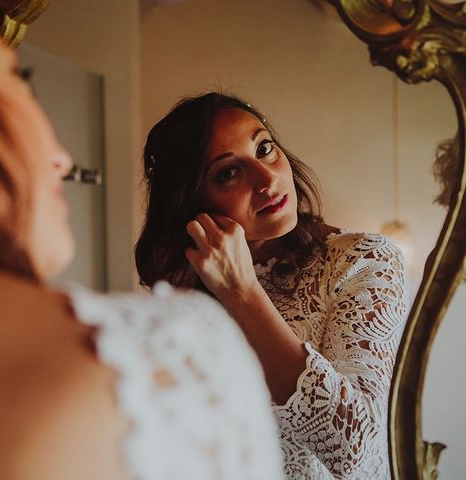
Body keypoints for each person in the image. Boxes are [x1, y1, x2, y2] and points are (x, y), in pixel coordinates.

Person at [0, 3, 284, 479]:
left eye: (266, 147)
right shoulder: (170, 350)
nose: (62, 159)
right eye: (19, 83)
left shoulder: (357, 260)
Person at [136, 92, 409, 479]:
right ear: (191, 200)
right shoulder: (188, 285)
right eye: (229, 172)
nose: (267, 179)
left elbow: (357, 452)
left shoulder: (363, 261)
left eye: (264, 148)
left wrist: (243, 292)